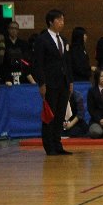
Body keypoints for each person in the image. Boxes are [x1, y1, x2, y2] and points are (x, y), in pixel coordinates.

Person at [32, 9, 73, 156]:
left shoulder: (63, 40)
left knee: (60, 115)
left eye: (63, 20)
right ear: (51, 22)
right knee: (50, 115)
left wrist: (70, 81)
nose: (62, 23)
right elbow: (38, 63)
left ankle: (58, 144)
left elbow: (67, 62)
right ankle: (49, 146)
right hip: (50, 83)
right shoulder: (42, 40)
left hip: (63, 83)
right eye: (59, 20)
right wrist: (42, 83)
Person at [0, 21, 35, 85]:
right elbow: (2, 61)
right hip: (8, 74)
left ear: (18, 30)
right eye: (11, 28)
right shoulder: (3, 43)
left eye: (16, 28)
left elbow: (26, 61)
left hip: (21, 73)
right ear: (8, 30)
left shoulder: (23, 43)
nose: (14, 30)